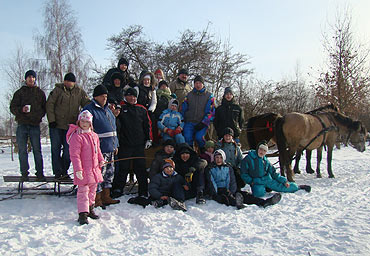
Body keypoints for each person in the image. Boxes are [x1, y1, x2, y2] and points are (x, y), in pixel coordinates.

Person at [46, 72, 90, 179]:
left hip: (71, 127)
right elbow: (49, 104)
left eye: (71, 81)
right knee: (55, 149)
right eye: (67, 81)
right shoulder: (57, 90)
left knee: (68, 152)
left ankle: (64, 171)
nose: (69, 83)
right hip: (56, 126)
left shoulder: (79, 92)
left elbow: (87, 104)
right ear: (64, 81)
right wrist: (51, 120)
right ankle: (57, 172)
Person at [111, 87, 153, 198]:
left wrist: (149, 138)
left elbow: (147, 125)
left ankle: (143, 190)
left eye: (134, 96)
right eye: (130, 96)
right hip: (125, 144)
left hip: (139, 144)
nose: (132, 98)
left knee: (140, 168)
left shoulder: (142, 109)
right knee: (123, 168)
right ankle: (118, 188)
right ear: (126, 96)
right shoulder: (121, 108)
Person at [83, 84, 120, 207]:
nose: (104, 98)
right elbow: (85, 131)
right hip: (99, 150)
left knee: (109, 174)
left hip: (111, 148)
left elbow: (113, 129)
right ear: (96, 97)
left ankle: (106, 196)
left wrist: (116, 145)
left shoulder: (108, 110)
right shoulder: (89, 110)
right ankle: (97, 198)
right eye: (102, 96)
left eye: (106, 96)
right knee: (98, 174)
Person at [206, 149, 282, 209]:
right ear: (214, 158)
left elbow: (231, 179)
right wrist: (215, 193)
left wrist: (231, 191)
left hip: (229, 188)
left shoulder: (228, 167)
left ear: (223, 158)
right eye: (217, 158)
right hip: (218, 190)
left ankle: (263, 202)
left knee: (245, 195)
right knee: (226, 198)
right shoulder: (211, 168)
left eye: (220, 158)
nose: (219, 160)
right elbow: (211, 182)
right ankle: (237, 203)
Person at [67, 110, 104, 225]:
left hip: (94, 169)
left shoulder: (94, 136)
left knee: (92, 190)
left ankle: (90, 209)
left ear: (90, 123)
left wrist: (101, 159)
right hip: (83, 170)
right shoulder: (77, 137)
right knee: (83, 192)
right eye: (82, 121)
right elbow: (75, 155)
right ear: (79, 121)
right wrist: (78, 169)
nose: (84, 123)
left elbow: (98, 150)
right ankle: (82, 214)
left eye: (87, 122)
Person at [10, 70, 46, 181]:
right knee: (22, 150)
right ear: (26, 79)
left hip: (35, 124)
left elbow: (44, 108)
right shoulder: (19, 92)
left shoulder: (40, 93)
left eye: (33, 77)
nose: (31, 79)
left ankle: (40, 173)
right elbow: (12, 107)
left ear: (35, 79)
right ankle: (24, 173)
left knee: (37, 149)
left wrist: (37, 116)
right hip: (22, 124)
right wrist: (21, 110)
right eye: (29, 77)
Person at [240, 140, 311, 197]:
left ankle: (298, 187)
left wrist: (284, 181)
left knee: (285, 187)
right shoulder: (249, 158)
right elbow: (244, 173)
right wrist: (251, 181)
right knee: (259, 194)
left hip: (267, 179)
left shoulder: (265, 160)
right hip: (256, 181)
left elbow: (273, 173)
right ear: (257, 149)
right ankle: (265, 188)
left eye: (264, 151)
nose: (262, 152)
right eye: (261, 149)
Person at [181, 75, 216, 150]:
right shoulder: (189, 95)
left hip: (202, 122)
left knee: (199, 138)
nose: (198, 85)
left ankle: (203, 154)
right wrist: (182, 120)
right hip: (189, 122)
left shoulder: (209, 96)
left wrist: (204, 122)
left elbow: (211, 111)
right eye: (196, 83)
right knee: (187, 137)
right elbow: (183, 108)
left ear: (203, 84)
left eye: (200, 83)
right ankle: (189, 153)